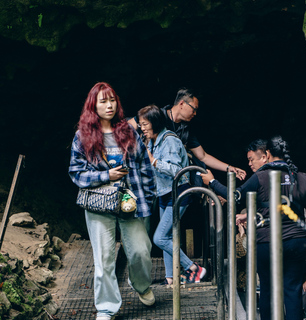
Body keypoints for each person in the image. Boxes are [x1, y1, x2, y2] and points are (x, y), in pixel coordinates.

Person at [201, 135, 306, 320]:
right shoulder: (302, 177)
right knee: (292, 290)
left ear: (268, 154)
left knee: (268, 290)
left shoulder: (261, 177)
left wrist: (212, 182)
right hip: (297, 241)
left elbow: (235, 196)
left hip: (268, 242)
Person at [69, 82, 156, 320]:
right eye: (103, 101)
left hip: (130, 201)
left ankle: (141, 285)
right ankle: (106, 307)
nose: (109, 105)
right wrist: (105, 176)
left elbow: (145, 167)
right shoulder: (83, 136)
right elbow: (76, 173)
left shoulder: (129, 132)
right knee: (104, 257)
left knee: (140, 250)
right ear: (93, 106)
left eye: (112, 100)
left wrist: (148, 198)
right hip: (99, 203)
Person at [137, 104, 206, 285]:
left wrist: (154, 161)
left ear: (154, 122)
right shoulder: (152, 141)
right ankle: (170, 278)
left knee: (159, 237)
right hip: (164, 194)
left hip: (179, 193)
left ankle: (194, 268)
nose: (142, 128)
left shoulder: (170, 140)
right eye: (140, 124)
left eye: (144, 124)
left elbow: (178, 170)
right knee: (168, 237)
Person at [128, 88, 246, 180]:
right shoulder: (157, 115)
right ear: (182, 103)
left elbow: (203, 156)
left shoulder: (186, 130)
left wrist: (229, 168)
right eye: (193, 109)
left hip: (170, 182)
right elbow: (126, 128)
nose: (195, 113)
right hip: (147, 174)